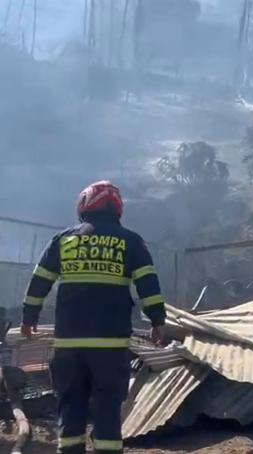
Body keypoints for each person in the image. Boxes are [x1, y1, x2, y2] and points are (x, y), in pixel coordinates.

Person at [21, 181, 166, 454]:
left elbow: (39, 282)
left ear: (84, 204)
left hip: (69, 343)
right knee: (107, 407)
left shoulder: (63, 239)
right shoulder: (131, 242)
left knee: (70, 405)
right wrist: (158, 321)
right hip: (110, 345)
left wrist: (29, 318)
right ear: (118, 208)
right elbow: (148, 285)